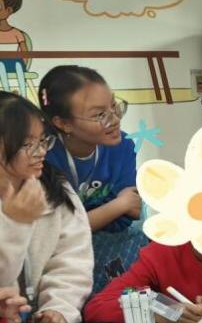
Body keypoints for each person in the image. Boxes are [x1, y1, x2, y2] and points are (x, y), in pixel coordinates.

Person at [0, 91, 94, 323]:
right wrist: (14, 224)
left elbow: (72, 259)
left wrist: (59, 308)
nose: (41, 152)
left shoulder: (56, 188)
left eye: (43, 140)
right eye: (26, 144)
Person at [40, 65, 147, 293]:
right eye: (99, 115)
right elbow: (55, 233)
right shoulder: (43, 159)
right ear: (63, 123)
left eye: (114, 106)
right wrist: (117, 205)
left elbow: (131, 213)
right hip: (58, 267)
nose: (114, 120)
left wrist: (86, 219)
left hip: (113, 254)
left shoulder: (122, 146)